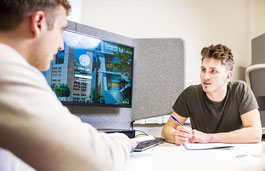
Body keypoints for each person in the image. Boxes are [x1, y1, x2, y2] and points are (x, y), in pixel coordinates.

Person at [0, 1, 136, 171]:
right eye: (61, 30)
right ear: (38, 23)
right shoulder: (7, 68)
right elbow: (98, 162)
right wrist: (122, 143)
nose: (61, 45)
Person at [161, 44, 262, 145]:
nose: (205, 77)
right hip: (201, 156)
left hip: (234, 156)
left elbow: (255, 133)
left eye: (213, 71)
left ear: (228, 76)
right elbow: (167, 129)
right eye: (203, 69)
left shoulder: (240, 90)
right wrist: (176, 136)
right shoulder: (191, 94)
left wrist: (208, 138)